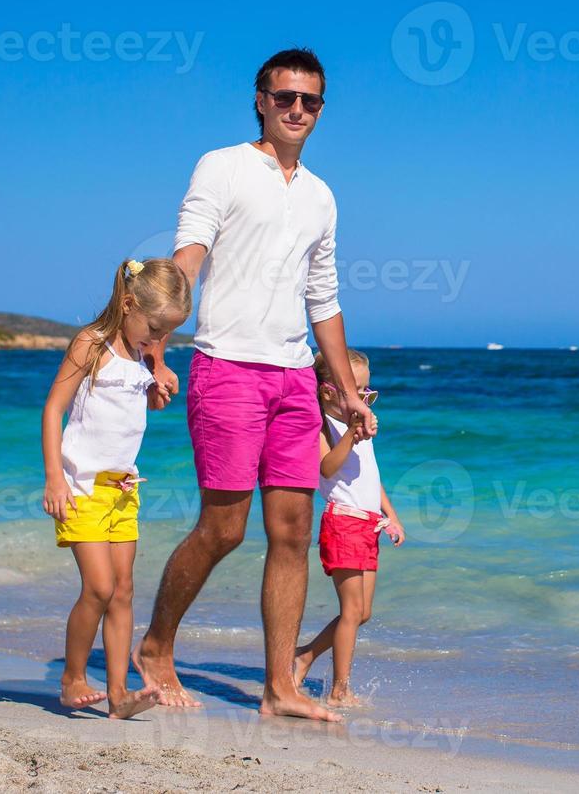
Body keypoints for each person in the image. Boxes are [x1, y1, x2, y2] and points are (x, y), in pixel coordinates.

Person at [135, 48, 378, 721]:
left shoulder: (322, 196)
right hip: (227, 367)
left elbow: (323, 302)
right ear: (261, 100)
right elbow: (189, 253)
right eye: (285, 97)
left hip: (296, 377)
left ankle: (279, 688)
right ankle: (156, 644)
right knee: (224, 527)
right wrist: (154, 342)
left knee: (294, 530)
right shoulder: (223, 166)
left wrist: (346, 390)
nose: (297, 110)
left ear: (321, 109)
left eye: (310, 101)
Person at [40, 257, 191, 718]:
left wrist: (156, 386)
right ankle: (72, 679)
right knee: (100, 587)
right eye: (154, 328)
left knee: (123, 590)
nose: (157, 339)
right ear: (127, 304)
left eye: (167, 332)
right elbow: (53, 411)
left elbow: (132, 404)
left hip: (124, 489)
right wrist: (54, 478)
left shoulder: (142, 353)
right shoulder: (92, 344)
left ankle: (119, 693)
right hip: (81, 488)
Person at [292, 349, 405, 706]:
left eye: (367, 391)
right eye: (355, 391)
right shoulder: (323, 425)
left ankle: (305, 655)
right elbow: (326, 468)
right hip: (342, 522)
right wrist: (351, 437)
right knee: (352, 611)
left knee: (362, 613)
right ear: (328, 391)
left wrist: (392, 514)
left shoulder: (360, 425)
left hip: (369, 525)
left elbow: (371, 477)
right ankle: (340, 690)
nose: (363, 399)